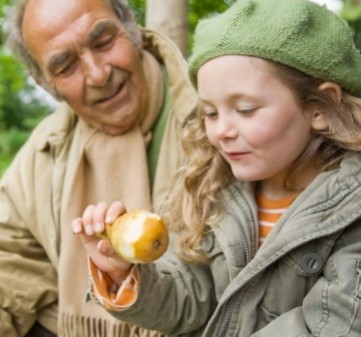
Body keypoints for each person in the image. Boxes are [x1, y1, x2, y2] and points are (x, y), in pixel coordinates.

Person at [73, 0, 361, 336]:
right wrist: (125, 274)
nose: (221, 130)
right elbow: (192, 296)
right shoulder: (213, 188)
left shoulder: (353, 211)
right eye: (210, 113)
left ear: (319, 108)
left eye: (246, 109)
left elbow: (334, 325)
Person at [0, 0, 196, 336]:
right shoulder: (47, 146)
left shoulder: (216, 117)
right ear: (43, 83)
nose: (99, 74)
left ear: (131, 27)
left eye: (103, 41)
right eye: (66, 65)